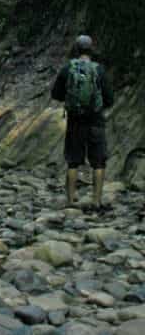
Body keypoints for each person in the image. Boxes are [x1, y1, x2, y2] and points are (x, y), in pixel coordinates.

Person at [51, 34, 113, 213]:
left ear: (76, 49)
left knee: (73, 161)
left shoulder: (67, 68)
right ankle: (96, 201)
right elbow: (109, 98)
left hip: (75, 120)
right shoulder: (99, 70)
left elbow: (56, 94)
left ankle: (71, 201)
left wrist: (71, 101)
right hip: (96, 120)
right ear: (91, 50)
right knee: (98, 161)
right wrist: (98, 106)